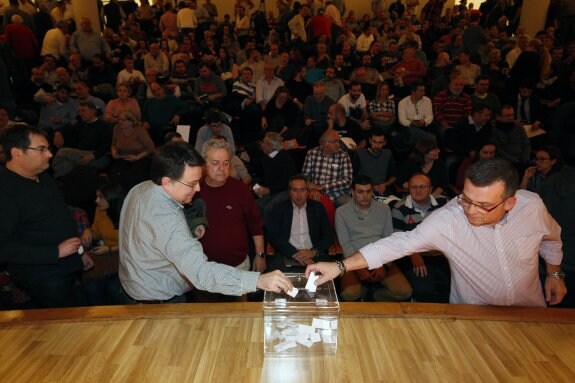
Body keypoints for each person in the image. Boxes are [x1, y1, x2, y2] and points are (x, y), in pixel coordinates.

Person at [307, 157, 567, 307]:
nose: (471, 210)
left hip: (530, 311)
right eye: (467, 198)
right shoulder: (449, 219)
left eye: (484, 205)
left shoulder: (531, 206)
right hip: (473, 317)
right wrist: (340, 267)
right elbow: (397, 244)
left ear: (510, 202)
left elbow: (551, 238)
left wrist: (554, 273)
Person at [118, 142, 292, 304]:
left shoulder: (141, 188)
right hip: (159, 300)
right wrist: (258, 280)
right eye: (192, 184)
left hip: (133, 287)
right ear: (167, 182)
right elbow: (200, 273)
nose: (198, 189)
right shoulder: (166, 219)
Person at [0, 124, 92, 308]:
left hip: (67, 265)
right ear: (17, 153)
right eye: (41, 150)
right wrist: (55, 252)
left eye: (48, 149)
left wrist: (79, 253)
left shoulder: (42, 176)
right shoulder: (5, 190)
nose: (49, 155)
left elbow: (60, 217)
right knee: (66, 328)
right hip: (43, 275)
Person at [197, 139, 267, 300]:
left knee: (240, 315)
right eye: (215, 163)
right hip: (204, 270)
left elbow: (255, 225)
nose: (221, 168)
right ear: (204, 164)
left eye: (226, 163)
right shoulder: (194, 191)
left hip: (238, 266)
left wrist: (260, 255)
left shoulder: (240, 189)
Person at [336, 175, 412, 302]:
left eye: (368, 191)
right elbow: (345, 244)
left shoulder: (384, 209)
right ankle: (363, 292)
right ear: (353, 193)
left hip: (380, 257)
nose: (365, 196)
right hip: (353, 258)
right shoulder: (341, 212)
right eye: (360, 192)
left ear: (372, 191)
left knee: (404, 292)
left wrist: (384, 265)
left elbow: (388, 239)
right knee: (349, 294)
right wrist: (358, 267)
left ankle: (373, 296)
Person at [391, 173, 451, 303]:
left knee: (453, 287)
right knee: (424, 291)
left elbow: (454, 230)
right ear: (409, 189)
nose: (418, 190)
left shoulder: (443, 203)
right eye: (414, 187)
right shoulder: (399, 208)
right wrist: (413, 254)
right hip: (414, 254)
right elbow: (397, 238)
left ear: (430, 189)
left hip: (443, 253)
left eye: (422, 187)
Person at [266, 174, 333, 272]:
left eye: (302, 190)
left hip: (313, 255)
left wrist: (313, 252)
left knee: (325, 280)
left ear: (308, 192)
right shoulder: (279, 208)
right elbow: (273, 236)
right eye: (294, 190)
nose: (299, 194)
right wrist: (295, 253)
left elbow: (328, 236)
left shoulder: (317, 208)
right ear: (289, 192)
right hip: (288, 254)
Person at [81, 182, 126, 306]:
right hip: (107, 255)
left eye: (100, 197)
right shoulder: (100, 210)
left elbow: (135, 243)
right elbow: (98, 234)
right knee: (91, 287)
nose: (96, 200)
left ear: (112, 198)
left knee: (114, 287)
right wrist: (88, 230)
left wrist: (110, 249)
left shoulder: (128, 213)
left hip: (125, 256)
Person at [302, 129, 353, 207]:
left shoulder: (344, 156)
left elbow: (347, 180)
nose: (338, 144)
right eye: (335, 141)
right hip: (316, 192)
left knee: (350, 205)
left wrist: (322, 187)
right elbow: (305, 176)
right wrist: (313, 189)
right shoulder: (312, 153)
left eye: (338, 141)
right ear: (326, 143)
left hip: (338, 194)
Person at [354, 128, 397, 198]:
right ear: (370, 141)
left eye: (380, 142)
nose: (376, 145)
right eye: (374, 142)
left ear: (384, 142)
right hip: (363, 189)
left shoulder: (388, 154)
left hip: (382, 190)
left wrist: (385, 185)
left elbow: (393, 176)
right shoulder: (360, 154)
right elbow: (353, 176)